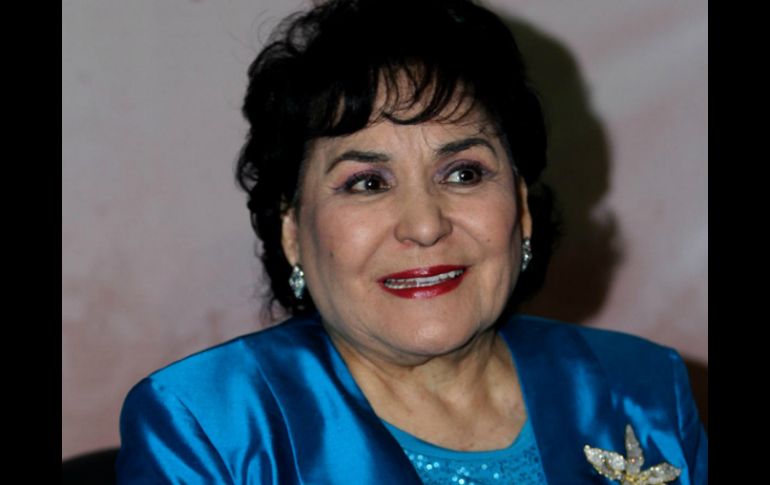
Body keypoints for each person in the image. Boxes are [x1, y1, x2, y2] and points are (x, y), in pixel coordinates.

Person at [116, 0, 708, 483]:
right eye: (368, 183)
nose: (425, 226)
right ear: (292, 232)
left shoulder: (643, 388)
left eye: (464, 174)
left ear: (522, 210)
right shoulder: (208, 427)